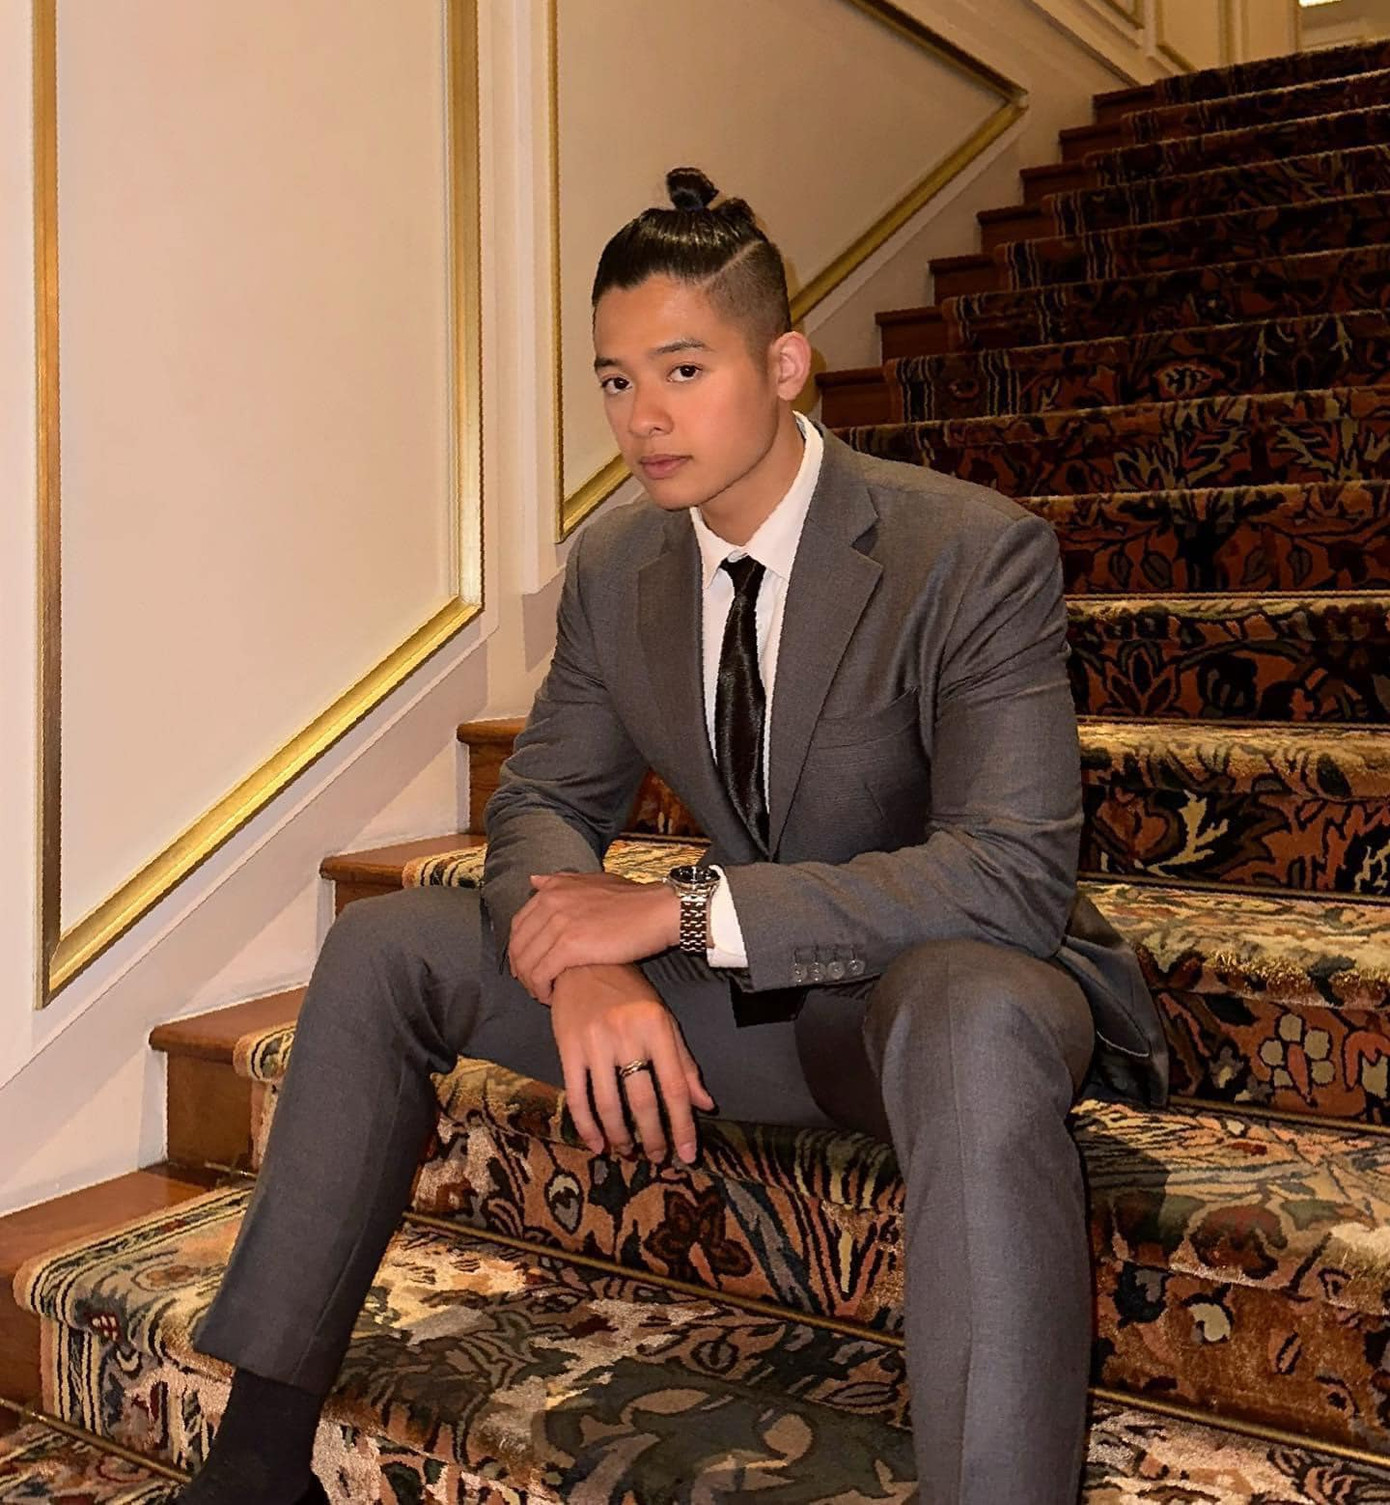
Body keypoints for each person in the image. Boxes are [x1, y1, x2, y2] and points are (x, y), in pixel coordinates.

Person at [180, 167, 1168, 1505]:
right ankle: (254, 1466)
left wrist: (684, 914)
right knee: (387, 947)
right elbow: (541, 800)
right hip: (749, 1012)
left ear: (784, 365)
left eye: (682, 370)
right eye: (613, 379)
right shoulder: (619, 568)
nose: (641, 417)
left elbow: (1007, 874)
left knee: (970, 1014)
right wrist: (578, 966)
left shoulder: (965, 551)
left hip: (926, 999)